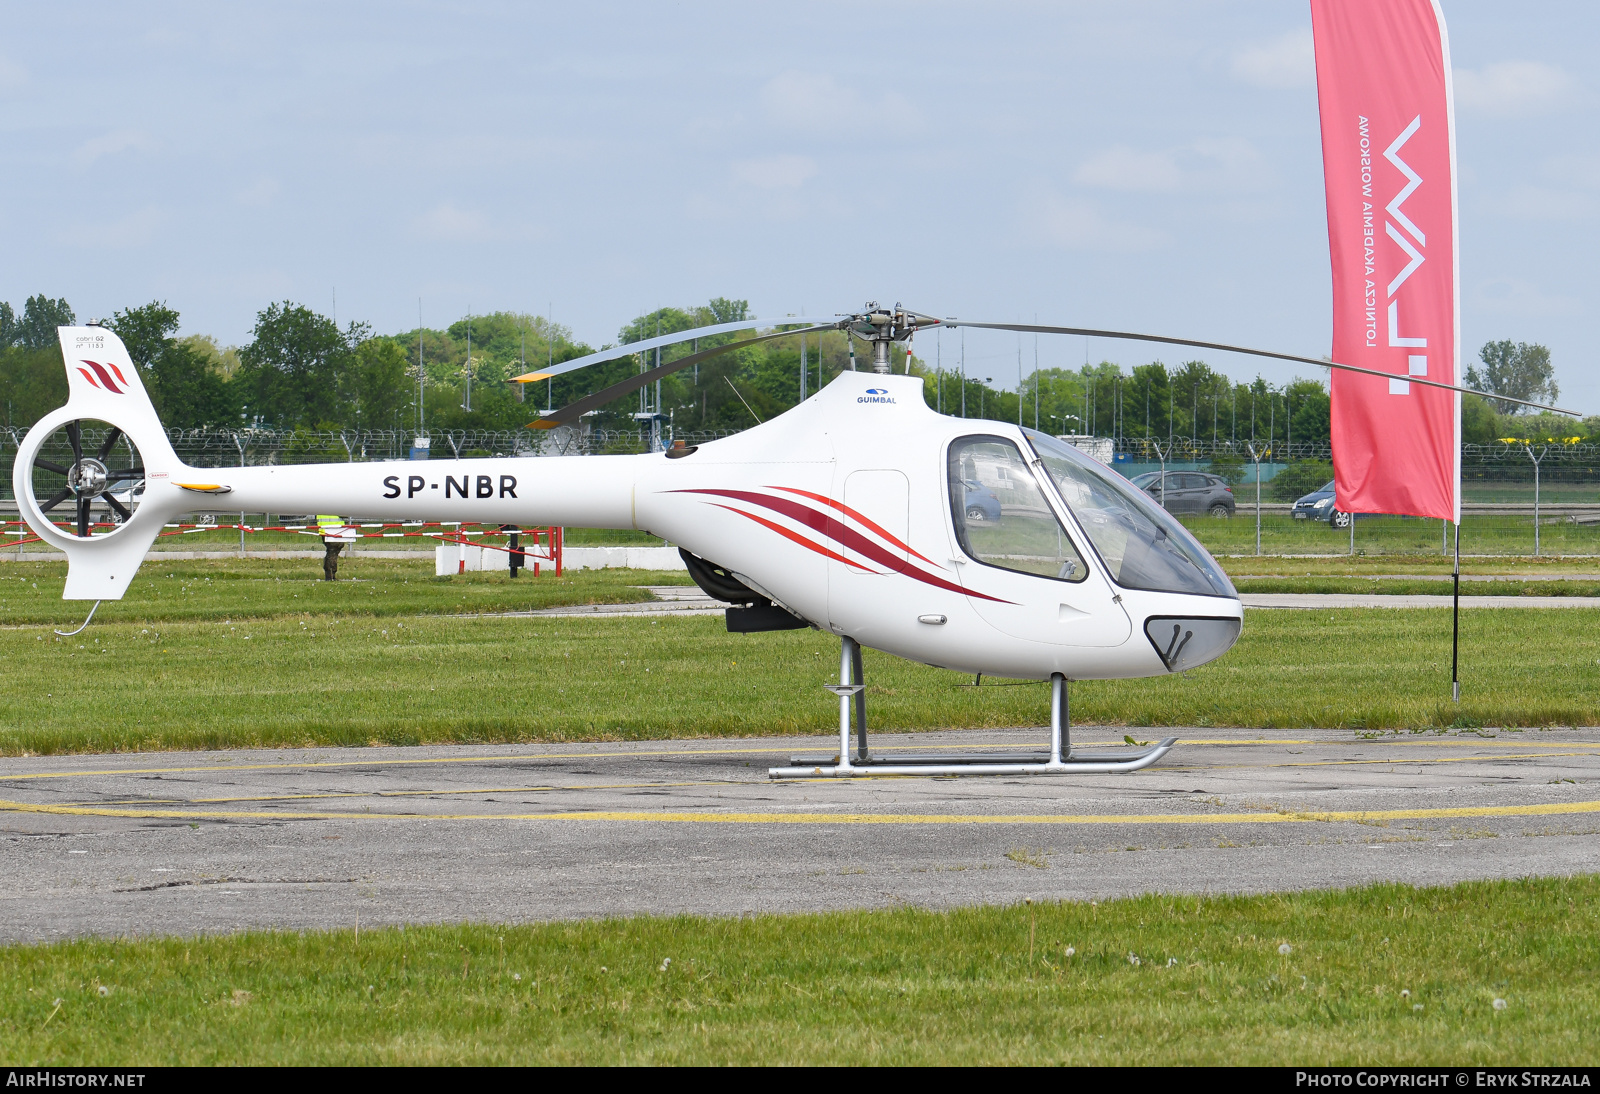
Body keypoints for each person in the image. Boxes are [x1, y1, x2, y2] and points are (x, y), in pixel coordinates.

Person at [317, 514, 357, 580]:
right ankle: (330, 574)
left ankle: (329, 574)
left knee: (331, 550)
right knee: (333, 551)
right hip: (334, 529)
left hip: (324, 530)